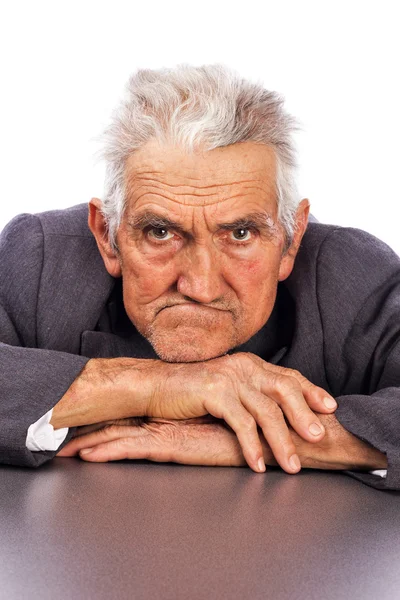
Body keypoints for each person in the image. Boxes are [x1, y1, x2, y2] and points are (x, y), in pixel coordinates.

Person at [0, 64, 398, 490]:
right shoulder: (41, 258)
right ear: (107, 235)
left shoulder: (349, 273)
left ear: (291, 240)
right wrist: (157, 385)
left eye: (240, 234)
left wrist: (273, 438)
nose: (201, 286)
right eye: (160, 232)